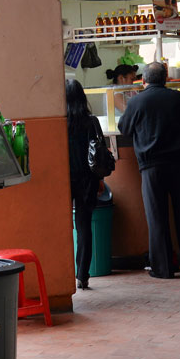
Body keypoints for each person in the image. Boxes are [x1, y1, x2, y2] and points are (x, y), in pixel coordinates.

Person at [117, 62, 180, 278]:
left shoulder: (136, 101)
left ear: (144, 80)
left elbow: (125, 128)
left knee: (156, 216)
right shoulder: (177, 98)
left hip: (151, 166)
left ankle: (163, 268)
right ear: (165, 78)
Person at [66, 79, 103, 289]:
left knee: (63, 227)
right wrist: (100, 180)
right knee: (84, 226)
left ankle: (64, 273)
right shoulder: (92, 122)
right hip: (88, 179)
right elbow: (100, 153)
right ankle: (83, 275)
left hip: (65, 179)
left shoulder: (60, 123)